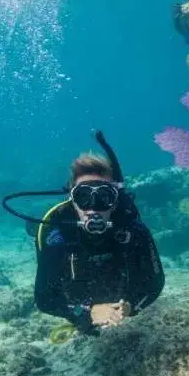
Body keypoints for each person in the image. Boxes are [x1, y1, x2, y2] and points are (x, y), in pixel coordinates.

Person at [25, 134, 165, 335]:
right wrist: (85, 313)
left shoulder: (132, 228)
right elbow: (45, 299)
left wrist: (131, 307)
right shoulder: (56, 232)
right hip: (79, 295)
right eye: (83, 197)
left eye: (104, 197)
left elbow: (155, 283)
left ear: (115, 201)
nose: (93, 209)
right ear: (72, 199)